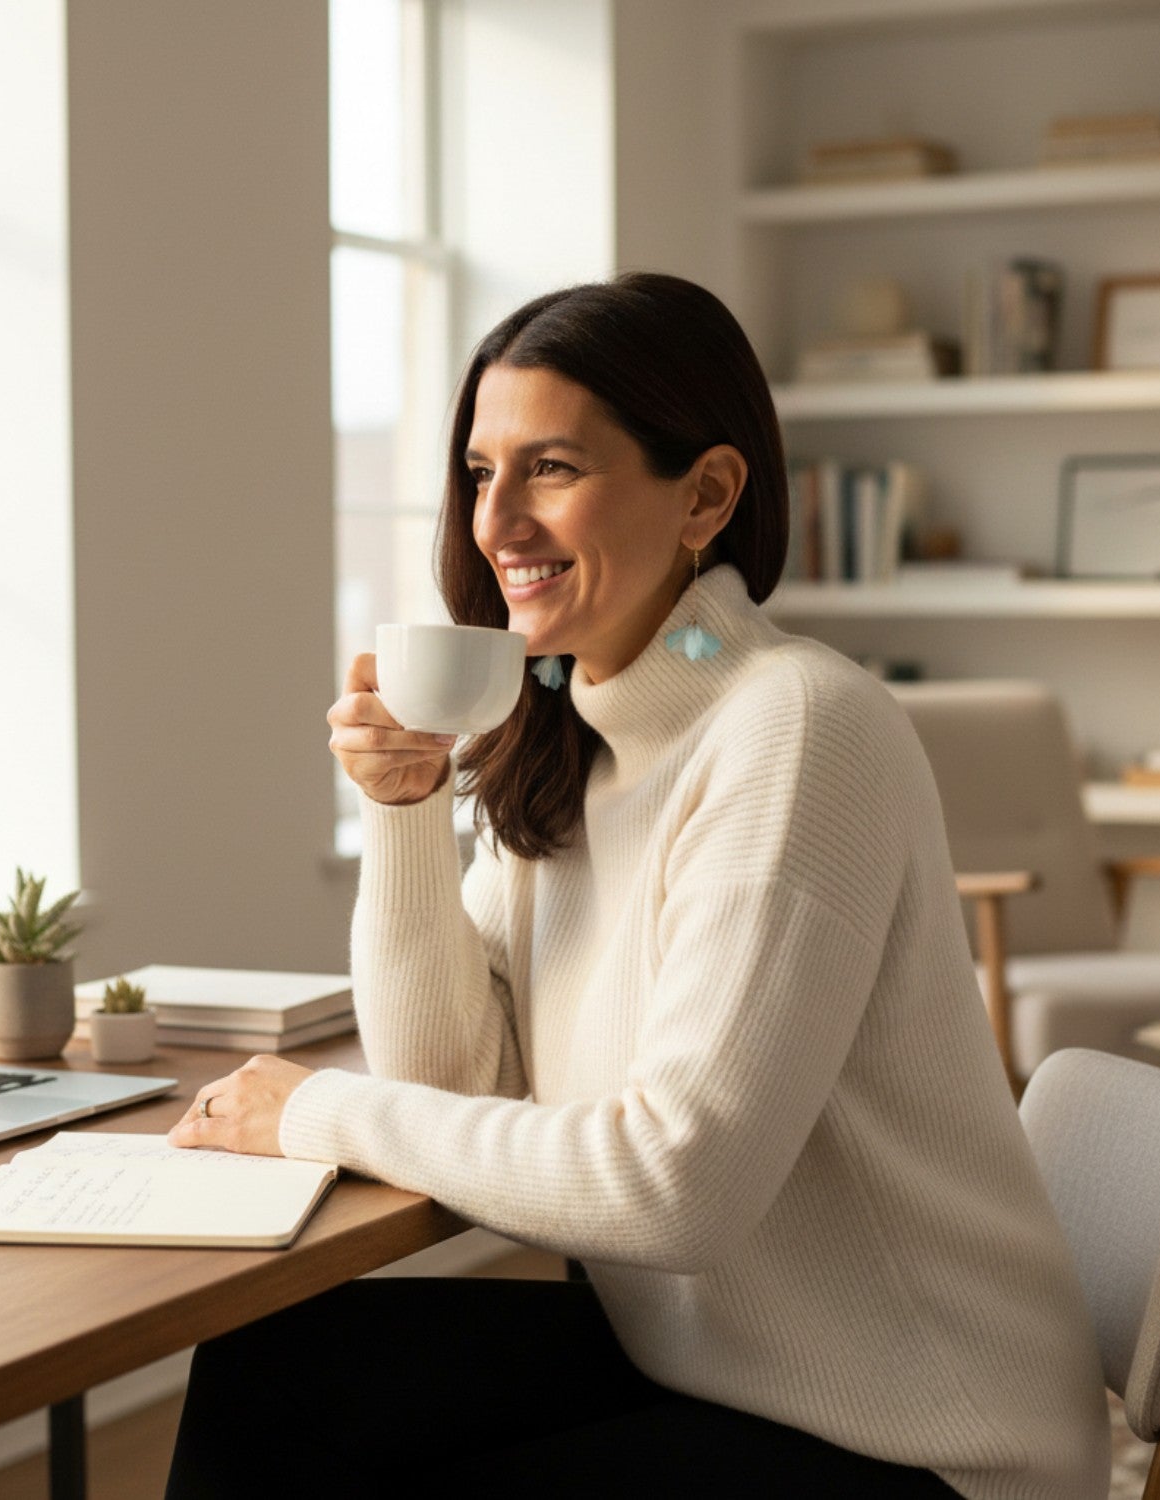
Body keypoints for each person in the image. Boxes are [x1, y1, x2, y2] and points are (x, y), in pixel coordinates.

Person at [163, 273, 1110, 1498]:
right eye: (479, 472)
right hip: (709, 1374)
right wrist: (403, 809)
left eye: (550, 468)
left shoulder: (797, 727)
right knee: (277, 1368)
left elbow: (674, 1192)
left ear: (707, 494)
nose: (496, 521)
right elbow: (451, 1085)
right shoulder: (568, 731)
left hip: (927, 1447)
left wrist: (311, 1112)